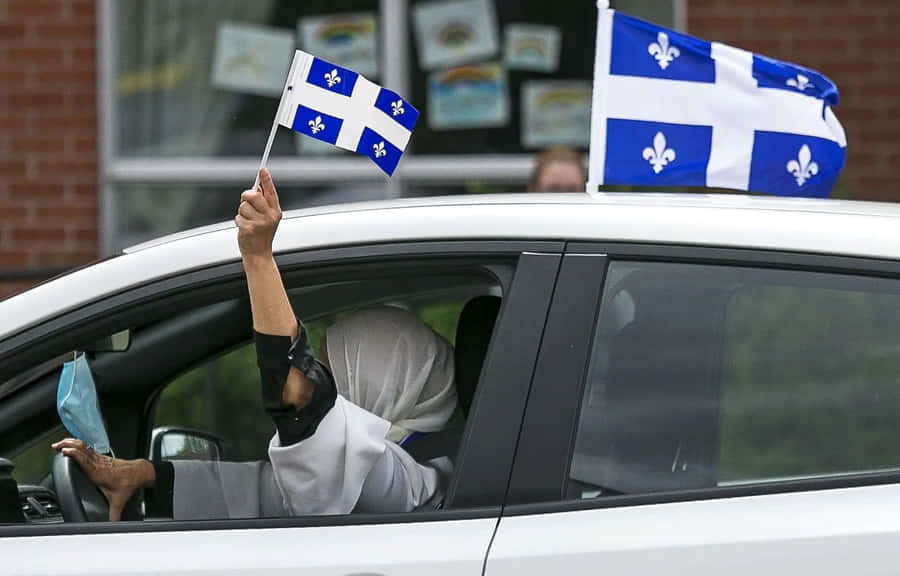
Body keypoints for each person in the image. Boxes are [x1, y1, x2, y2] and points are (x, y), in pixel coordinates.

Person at [53, 168, 459, 522]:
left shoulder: (406, 483)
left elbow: (300, 400)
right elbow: (262, 490)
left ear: (387, 383)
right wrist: (139, 474)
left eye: (332, 374)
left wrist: (259, 257)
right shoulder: (383, 470)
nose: (325, 389)